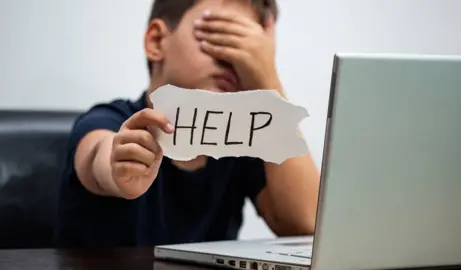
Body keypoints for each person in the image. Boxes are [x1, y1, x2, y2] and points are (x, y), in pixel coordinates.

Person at [55, 0, 320, 247]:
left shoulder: (239, 147)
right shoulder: (108, 119)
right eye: (222, 36)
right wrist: (118, 163)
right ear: (157, 40)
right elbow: (99, 155)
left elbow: (307, 225)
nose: (238, 60)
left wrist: (268, 82)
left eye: (254, 50)